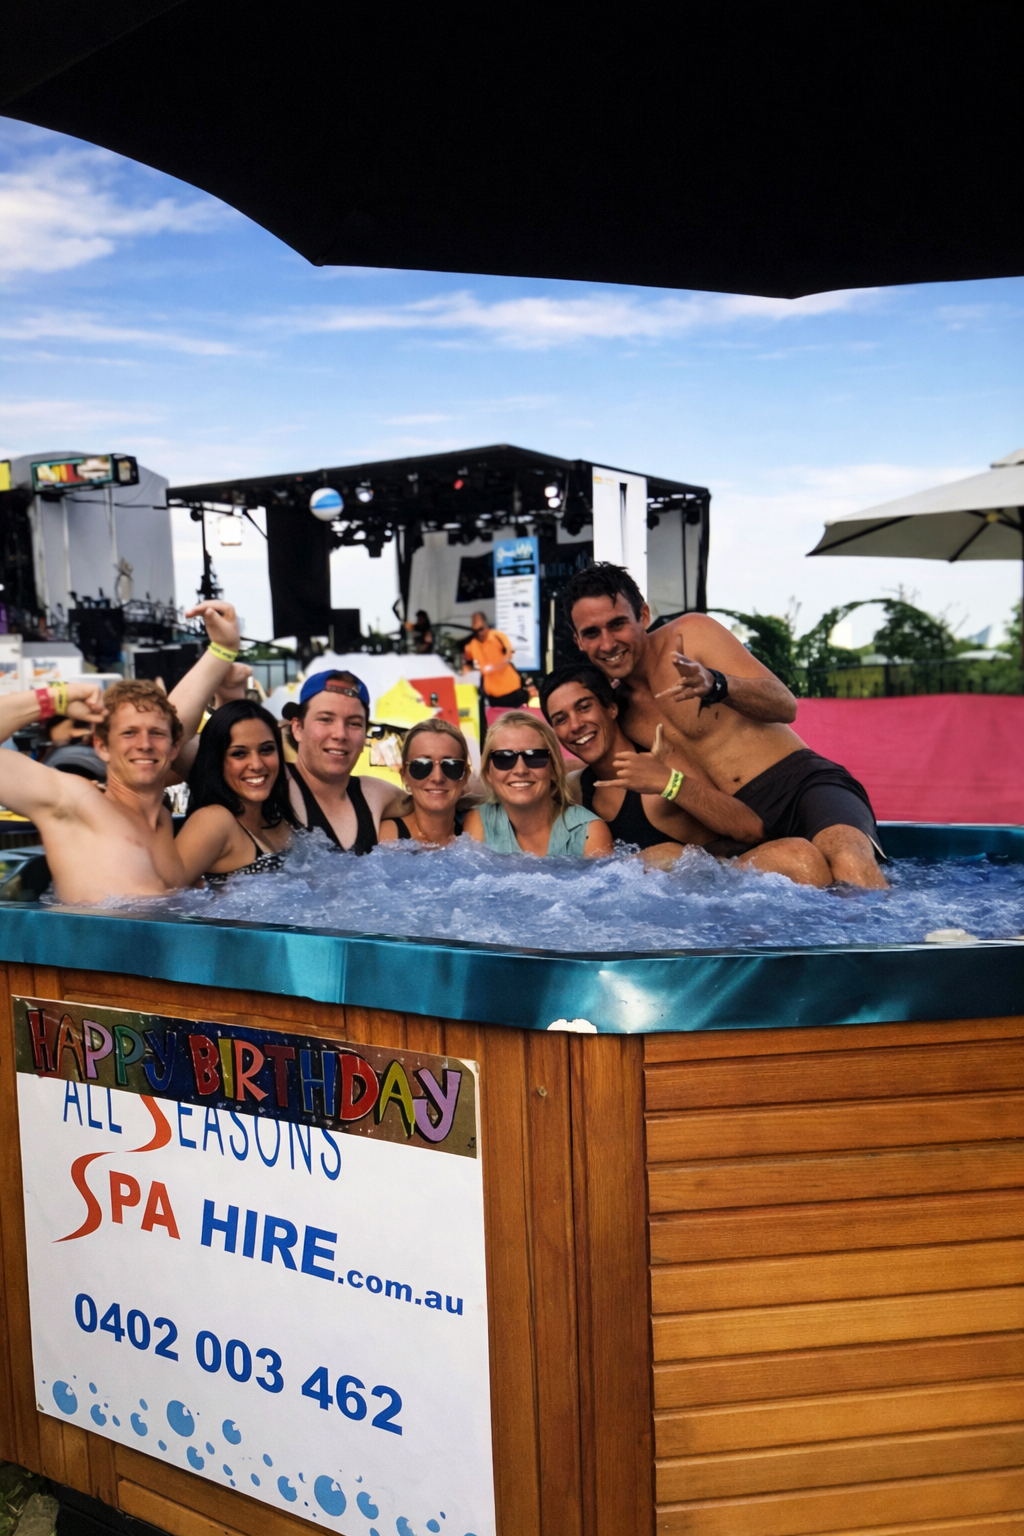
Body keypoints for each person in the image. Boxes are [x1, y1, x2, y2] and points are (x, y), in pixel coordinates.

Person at [561, 563, 886, 888]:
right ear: (578, 640)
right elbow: (600, 761)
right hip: (740, 820)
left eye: (617, 624)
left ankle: (905, 940)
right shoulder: (619, 708)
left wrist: (718, 684)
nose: (607, 644)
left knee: (847, 858)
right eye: (592, 633)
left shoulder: (690, 634)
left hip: (799, 784)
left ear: (643, 615)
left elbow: (785, 705)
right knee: (799, 879)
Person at [0, 601, 246, 903]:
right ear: (102, 746)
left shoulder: (163, 825)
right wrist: (55, 699)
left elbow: (178, 723)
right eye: (128, 733)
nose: (144, 744)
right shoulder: (74, 803)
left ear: (173, 749)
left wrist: (221, 651)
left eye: (155, 734)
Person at [539, 664, 830, 883]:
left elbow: (751, 829)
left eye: (584, 707)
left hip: (726, 889)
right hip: (662, 910)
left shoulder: (663, 756)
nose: (575, 725)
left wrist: (670, 783)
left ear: (612, 708)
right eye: (561, 719)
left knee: (800, 858)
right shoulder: (578, 788)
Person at [175, 699, 296, 883]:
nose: (256, 764)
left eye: (266, 750)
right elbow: (159, 897)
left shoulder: (276, 817)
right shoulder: (213, 821)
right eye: (239, 754)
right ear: (217, 761)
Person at [463, 711, 613, 858]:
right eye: (504, 758)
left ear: (554, 769)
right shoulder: (480, 823)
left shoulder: (588, 833)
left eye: (534, 756)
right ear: (489, 773)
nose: (520, 770)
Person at [281, 670, 400, 853]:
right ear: (298, 728)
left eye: (354, 723)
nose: (340, 734)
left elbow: (436, 797)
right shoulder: (273, 786)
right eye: (326, 719)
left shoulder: (375, 795)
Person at [379, 718, 469, 846]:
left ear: (465, 776)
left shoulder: (478, 833)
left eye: (451, 765)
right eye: (421, 765)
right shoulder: (387, 838)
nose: (437, 778)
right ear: (404, 775)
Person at [463, 612, 529, 708]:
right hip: (493, 696)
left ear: (486, 625)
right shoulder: (472, 645)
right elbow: (468, 663)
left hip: (512, 690)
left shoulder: (497, 636)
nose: (479, 633)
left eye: (480, 629)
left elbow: (509, 654)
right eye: (475, 631)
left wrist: (494, 667)